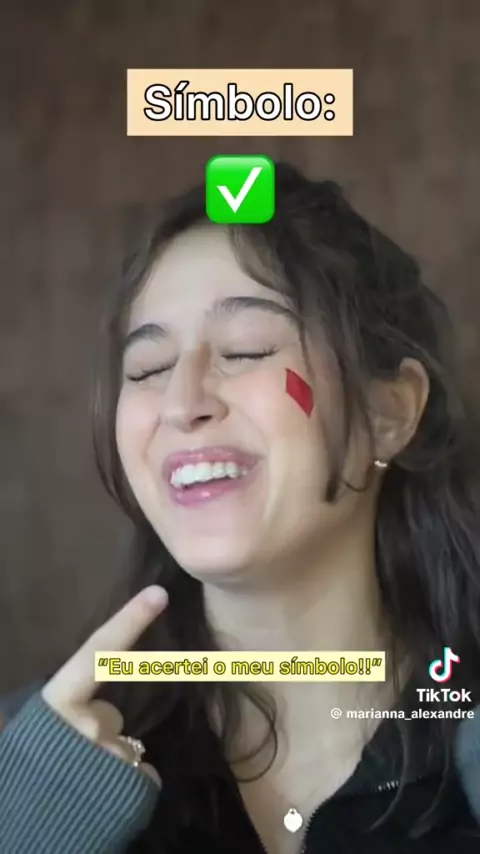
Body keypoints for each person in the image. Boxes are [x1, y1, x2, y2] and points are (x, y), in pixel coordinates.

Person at [1, 161, 480, 854]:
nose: (181, 402)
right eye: (147, 369)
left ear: (389, 413)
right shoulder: (36, 760)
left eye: (246, 349)